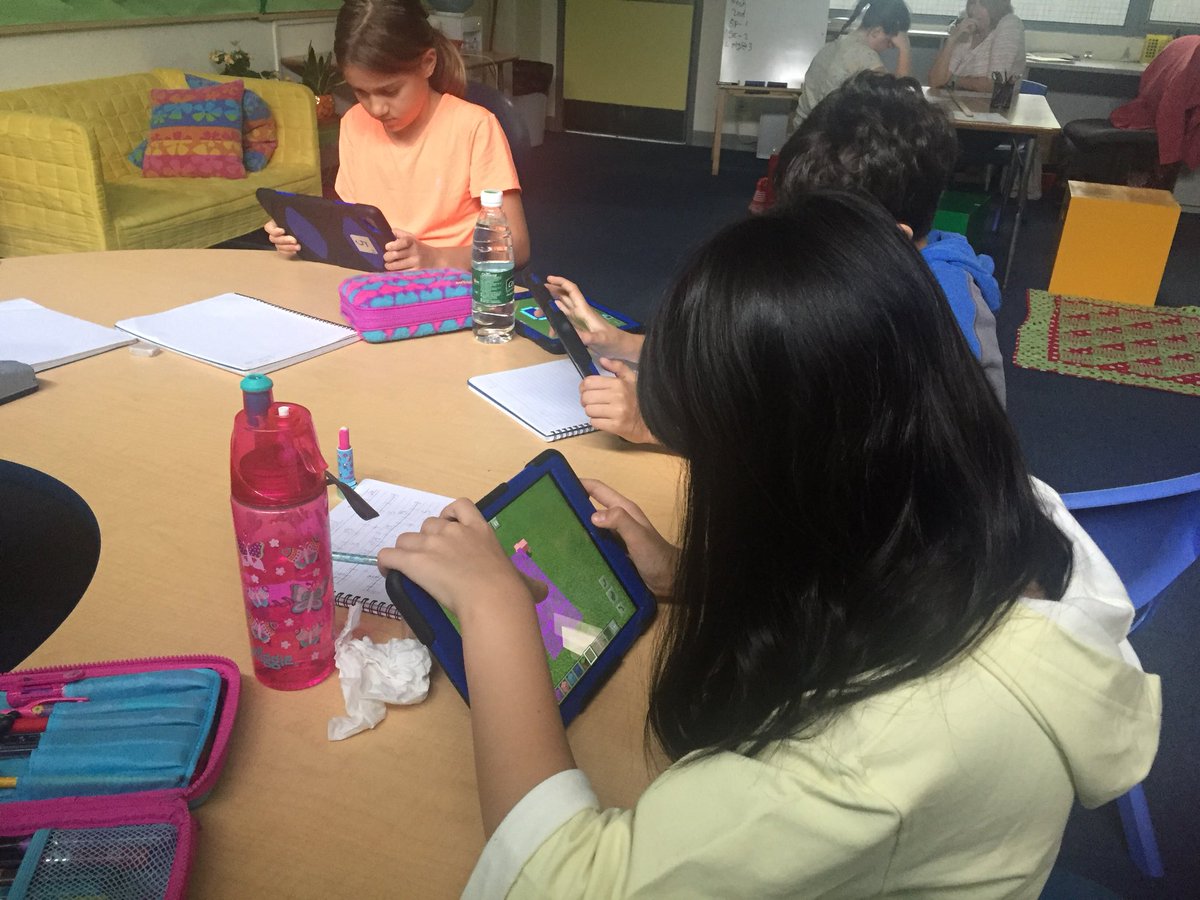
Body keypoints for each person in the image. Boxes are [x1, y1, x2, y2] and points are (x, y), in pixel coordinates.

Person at [379, 192, 1160, 898]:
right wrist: (690, 575)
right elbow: (858, 579)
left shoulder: (882, 755)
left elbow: (563, 882)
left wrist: (494, 613)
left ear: (777, 474)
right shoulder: (993, 508)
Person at [776, 70, 1006, 404]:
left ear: (888, 239)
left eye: (819, 235)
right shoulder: (848, 268)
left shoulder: (946, 310)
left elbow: (970, 434)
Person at [265, 0, 529, 271]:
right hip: (378, 279)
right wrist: (304, 233)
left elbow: (517, 247)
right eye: (361, 92)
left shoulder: (474, 127)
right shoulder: (355, 122)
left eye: (390, 91)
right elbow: (350, 223)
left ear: (428, 63)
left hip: (451, 284)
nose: (376, 108)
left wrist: (436, 258)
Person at [795, 0, 912, 124]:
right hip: (825, 138)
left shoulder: (832, 46)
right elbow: (900, 102)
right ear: (876, 32)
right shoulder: (865, 57)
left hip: (801, 133)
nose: (890, 47)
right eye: (890, 42)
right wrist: (905, 50)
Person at [929, 1, 1026, 94]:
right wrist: (952, 39)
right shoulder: (969, 29)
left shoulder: (1009, 24)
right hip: (958, 103)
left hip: (991, 107)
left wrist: (954, 80)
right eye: (972, 2)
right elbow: (935, 81)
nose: (974, 10)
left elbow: (995, 83)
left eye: (983, 4)